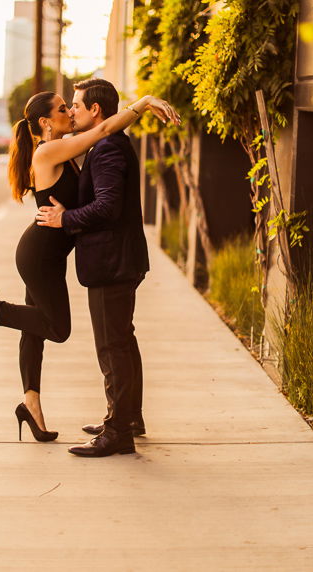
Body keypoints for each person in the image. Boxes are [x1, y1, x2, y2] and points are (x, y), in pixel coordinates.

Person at [0, 88, 179, 444]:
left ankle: (32, 405)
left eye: (71, 106)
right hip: (39, 255)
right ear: (45, 122)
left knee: (34, 329)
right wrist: (144, 102)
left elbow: (102, 128)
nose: (70, 113)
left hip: (48, 253)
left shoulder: (66, 145)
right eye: (63, 109)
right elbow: (105, 129)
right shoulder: (48, 150)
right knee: (56, 328)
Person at [36, 79, 180, 457]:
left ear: (96, 111)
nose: (72, 111)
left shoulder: (106, 149)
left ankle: (118, 432)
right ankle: (128, 417)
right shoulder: (106, 145)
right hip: (118, 259)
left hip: (111, 262)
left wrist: (65, 219)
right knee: (123, 341)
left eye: (77, 106)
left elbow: (106, 207)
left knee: (112, 347)